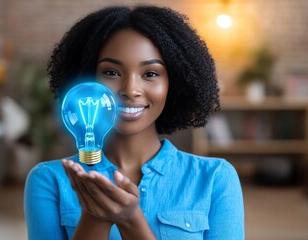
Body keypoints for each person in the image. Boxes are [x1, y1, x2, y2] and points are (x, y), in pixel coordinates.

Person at [24, 5, 244, 240]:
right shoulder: (49, 180)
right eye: (111, 72)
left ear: (175, 83)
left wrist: (131, 220)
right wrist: (95, 215)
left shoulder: (215, 178)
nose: (130, 90)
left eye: (150, 74)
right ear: (86, 81)